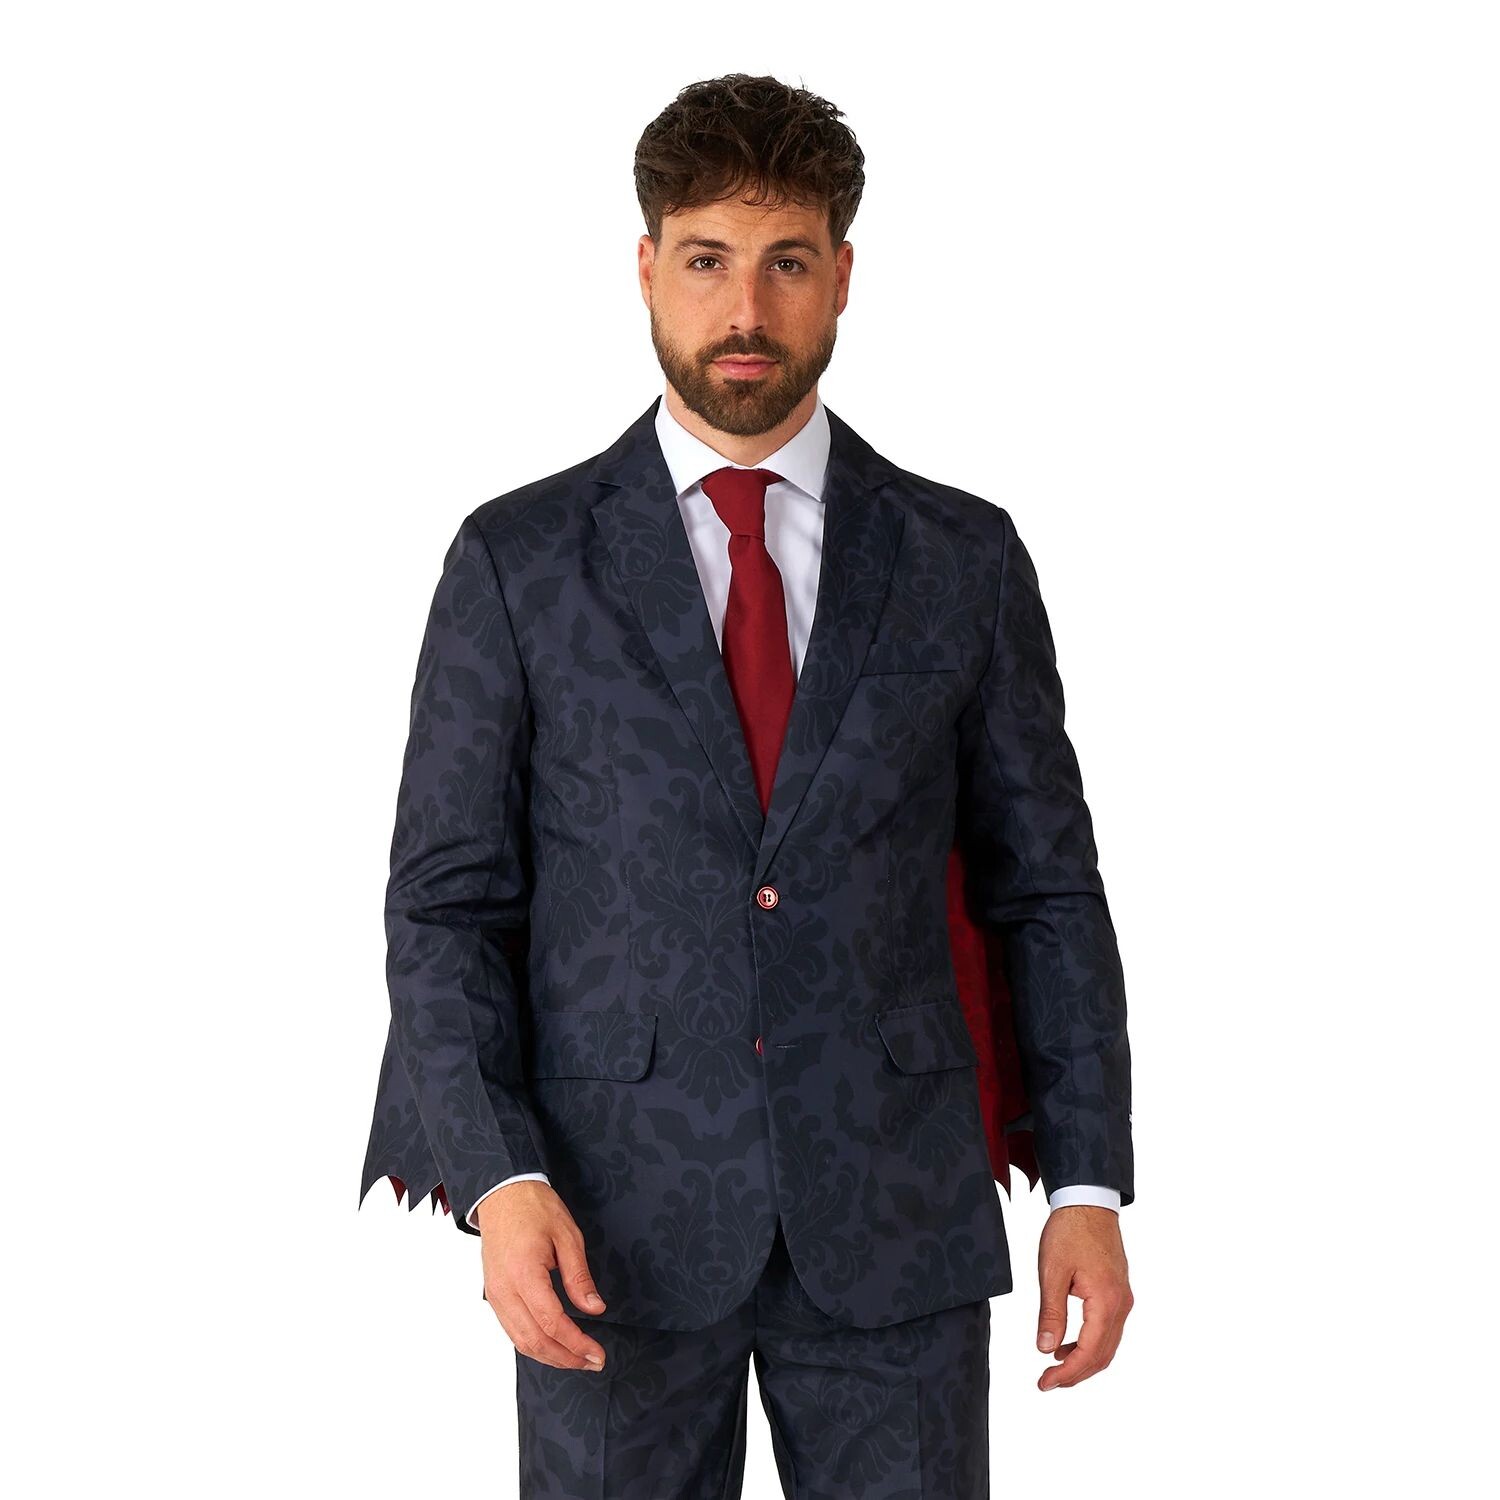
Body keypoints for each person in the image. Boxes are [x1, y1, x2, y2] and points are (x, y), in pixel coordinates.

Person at [360, 71, 1134, 1498]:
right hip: (605, 1218)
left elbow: (1046, 891)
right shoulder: (518, 562)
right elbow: (445, 906)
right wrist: (497, 1175)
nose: (746, 311)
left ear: (843, 276)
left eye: (787, 263)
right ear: (646, 265)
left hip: (894, 1211)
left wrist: (1085, 1184)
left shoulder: (962, 559)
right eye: (708, 260)